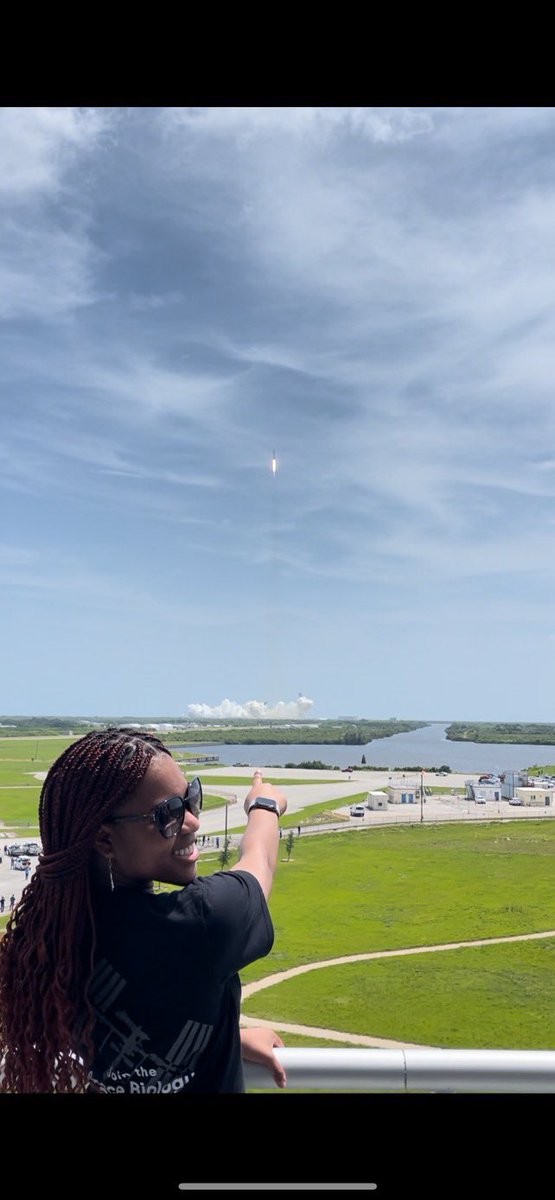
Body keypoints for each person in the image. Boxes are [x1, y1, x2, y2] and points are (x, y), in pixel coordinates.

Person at [0, 728, 288, 1093]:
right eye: (168, 813)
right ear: (105, 839)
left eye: (191, 798)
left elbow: (135, 1023)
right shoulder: (203, 921)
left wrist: (223, 1036)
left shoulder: (49, 934)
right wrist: (264, 804)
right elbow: (259, 860)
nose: (192, 821)